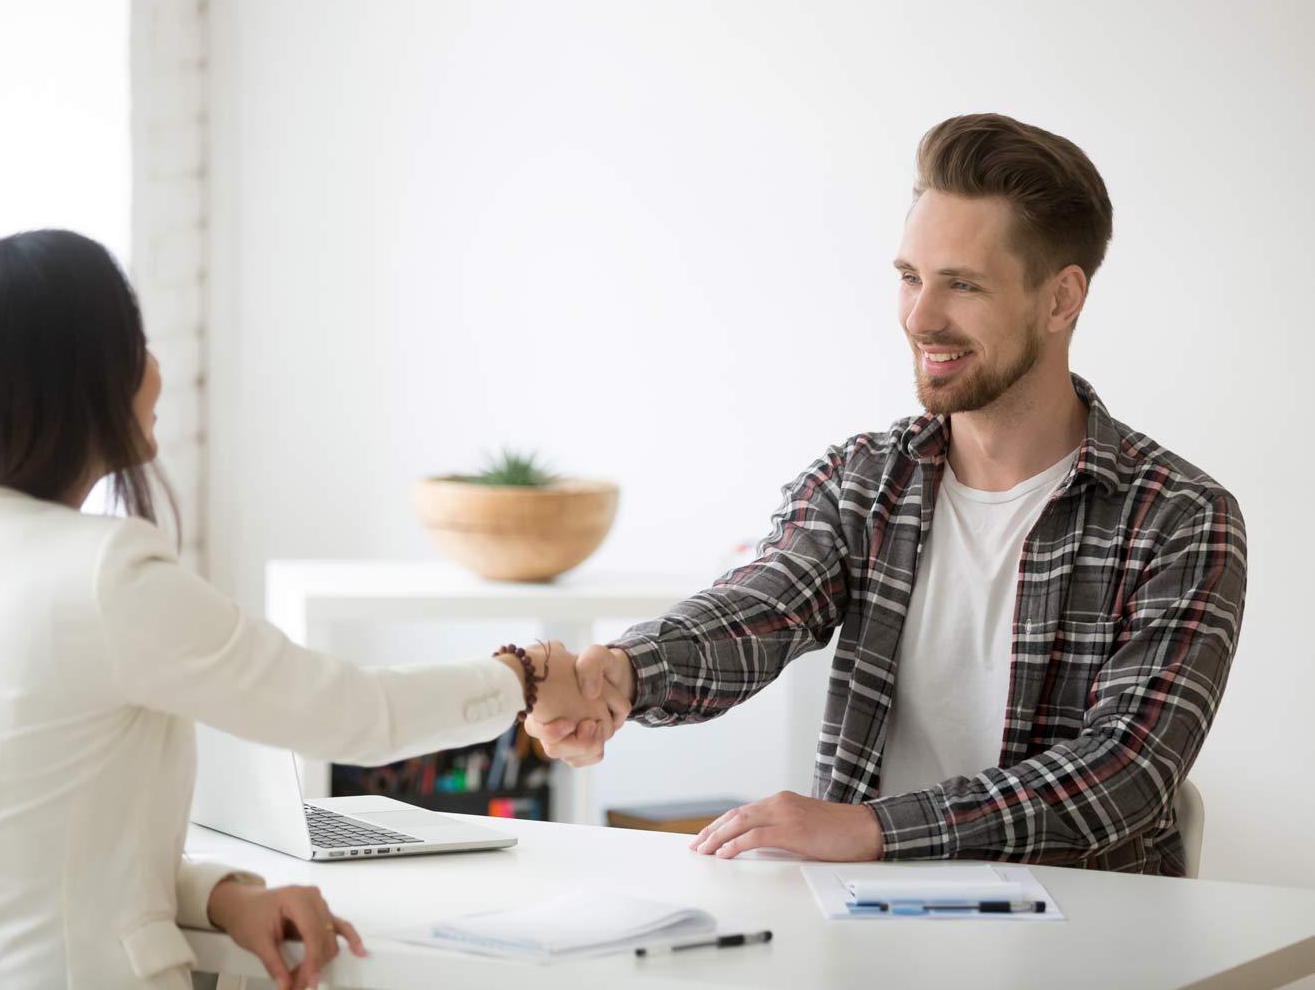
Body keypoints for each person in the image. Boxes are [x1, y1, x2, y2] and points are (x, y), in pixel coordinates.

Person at [0, 229, 621, 990]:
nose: (153, 370)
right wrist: (521, 677)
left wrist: (222, 895)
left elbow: (13, 856)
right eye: (133, 343)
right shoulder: (102, 572)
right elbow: (351, 712)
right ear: (73, 377)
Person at [526, 113, 1247, 876]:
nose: (919, 317)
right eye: (910, 277)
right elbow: (760, 607)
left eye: (962, 285)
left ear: (1062, 299)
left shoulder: (1181, 519)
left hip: (1078, 940)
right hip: (862, 931)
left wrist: (872, 829)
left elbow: (1121, 776)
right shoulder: (866, 479)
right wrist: (626, 675)